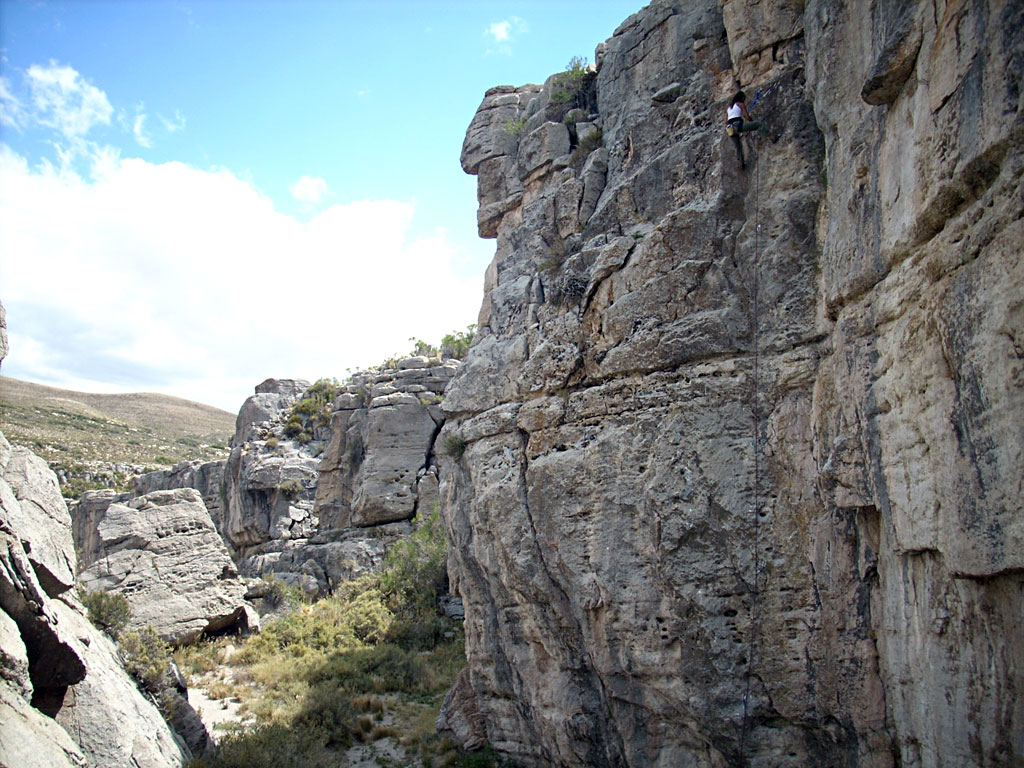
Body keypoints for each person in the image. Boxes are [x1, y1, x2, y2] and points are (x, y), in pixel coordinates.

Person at [726, 91, 779, 170]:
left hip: (730, 129)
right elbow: (747, 117)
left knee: (738, 146)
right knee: (758, 124)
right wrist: (751, 121)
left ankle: (741, 164)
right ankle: (772, 137)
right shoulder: (741, 104)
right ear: (742, 98)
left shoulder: (728, 108)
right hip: (738, 126)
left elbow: (725, 121)